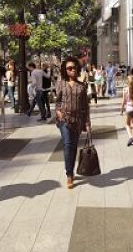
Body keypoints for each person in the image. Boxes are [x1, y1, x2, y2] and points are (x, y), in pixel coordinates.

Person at [54, 57, 91, 189]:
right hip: (64, 119)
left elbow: (85, 106)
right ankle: (69, 174)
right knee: (68, 144)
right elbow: (57, 102)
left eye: (74, 68)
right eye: (69, 68)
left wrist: (87, 123)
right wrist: (59, 113)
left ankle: (71, 168)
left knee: (74, 146)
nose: (72, 70)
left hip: (78, 120)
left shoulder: (82, 86)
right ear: (65, 70)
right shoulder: (61, 84)